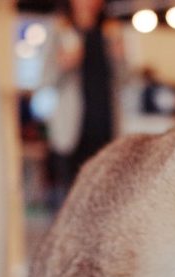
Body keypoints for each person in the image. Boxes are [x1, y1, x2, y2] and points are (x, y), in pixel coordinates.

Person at [44, 0, 122, 208]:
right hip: (72, 127)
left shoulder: (110, 31)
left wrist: (119, 57)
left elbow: (125, 80)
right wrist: (64, 65)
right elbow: (45, 80)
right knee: (71, 192)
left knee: (103, 190)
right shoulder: (61, 30)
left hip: (104, 122)